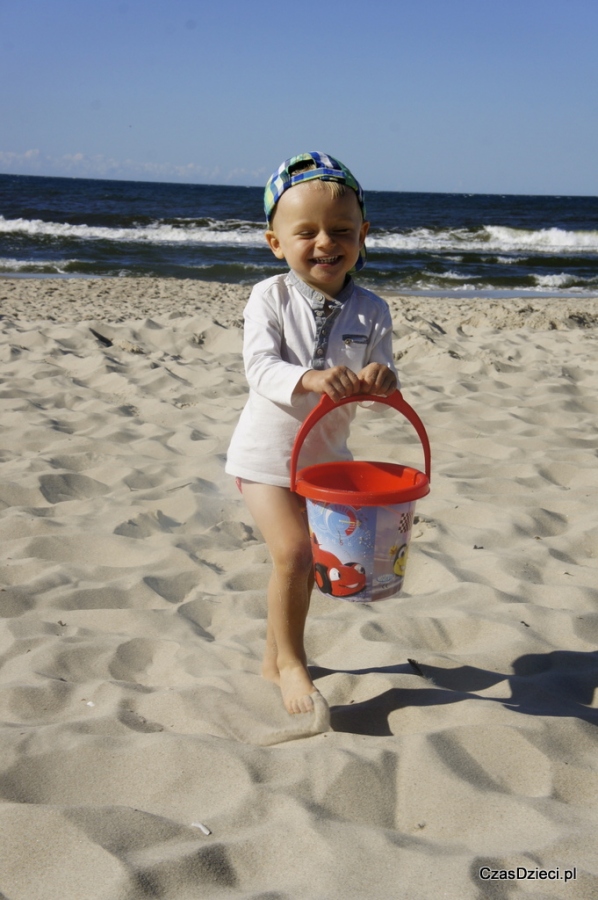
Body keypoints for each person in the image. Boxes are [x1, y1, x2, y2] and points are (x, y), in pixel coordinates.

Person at [225, 152, 398, 715]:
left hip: (324, 463)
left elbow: (381, 390)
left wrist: (380, 380)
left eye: (341, 230)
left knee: (303, 566)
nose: (326, 242)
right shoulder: (268, 298)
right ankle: (294, 666)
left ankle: (273, 657)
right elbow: (261, 370)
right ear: (276, 242)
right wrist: (313, 377)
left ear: (363, 235)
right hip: (265, 458)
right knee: (296, 556)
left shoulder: (372, 310)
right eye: (306, 232)